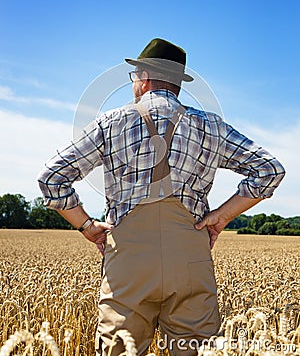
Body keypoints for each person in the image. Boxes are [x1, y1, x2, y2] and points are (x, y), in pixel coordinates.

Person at [38, 38, 285, 356]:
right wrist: (221, 216)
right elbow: (270, 170)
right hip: (191, 257)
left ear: (142, 75)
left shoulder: (110, 123)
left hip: (128, 262)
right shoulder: (211, 126)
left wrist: (87, 226)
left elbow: (51, 178)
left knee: (119, 350)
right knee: (198, 350)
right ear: (177, 84)